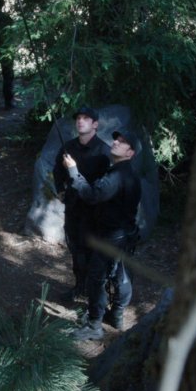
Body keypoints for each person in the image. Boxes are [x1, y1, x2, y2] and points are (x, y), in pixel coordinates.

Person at [63, 128, 141, 340]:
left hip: (111, 237)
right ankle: (116, 315)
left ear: (130, 153)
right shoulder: (125, 173)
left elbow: (90, 195)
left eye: (122, 142)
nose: (115, 143)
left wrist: (73, 171)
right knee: (120, 274)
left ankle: (94, 326)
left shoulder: (117, 176)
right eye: (116, 139)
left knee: (97, 278)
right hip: (124, 234)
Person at [52, 106, 111, 302]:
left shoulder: (104, 152)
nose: (80, 121)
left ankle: (93, 295)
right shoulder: (68, 147)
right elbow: (57, 170)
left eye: (86, 118)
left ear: (95, 124)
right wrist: (60, 189)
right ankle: (79, 287)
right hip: (73, 209)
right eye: (78, 118)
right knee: (75, 249)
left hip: (94, 213)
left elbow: (106, 185)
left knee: (91, 252)